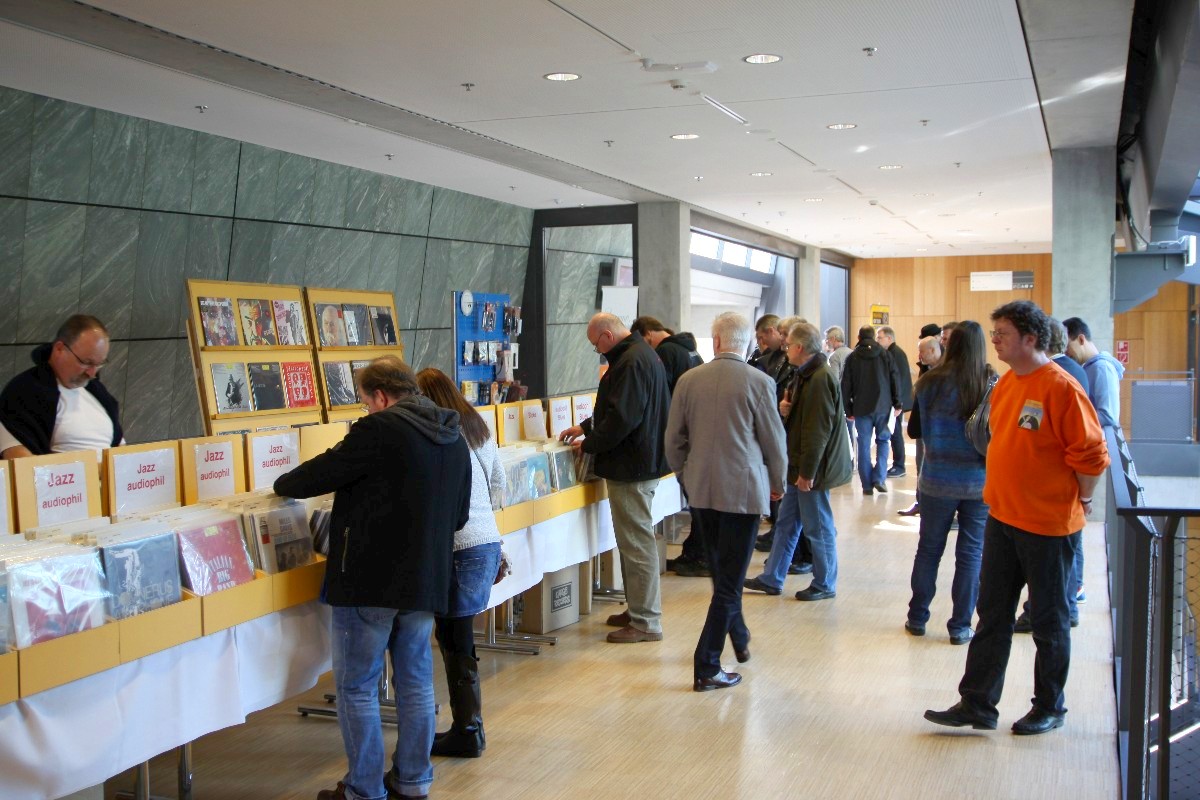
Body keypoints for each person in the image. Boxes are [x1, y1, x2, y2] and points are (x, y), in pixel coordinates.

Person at [274, 358, 471, 800]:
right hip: (425, 581)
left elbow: (318, 474)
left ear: (380, 396)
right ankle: (413, 782)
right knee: (416, 682)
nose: (365, 409)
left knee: (357, 686)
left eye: (364, 402)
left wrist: (281, 483)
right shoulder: (452, 434)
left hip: (369, 579)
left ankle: (363, 788)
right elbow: (459, 516)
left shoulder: (379, 429)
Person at [924, 301, 1109, 736]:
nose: (995, 340)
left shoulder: (1062, 388)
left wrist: (1082, 497)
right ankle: (977, 703)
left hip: (1048, 527)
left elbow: (1092, 456)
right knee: (992, 615)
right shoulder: (1007, 383)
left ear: (1031, 338)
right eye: (994, 333)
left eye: (1003, 332)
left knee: (1048, 620)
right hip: (1003, 519)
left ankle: (1049, 706)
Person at [664, 312, 786, 691]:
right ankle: (707, 666)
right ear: (746, 342)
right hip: (743, 492)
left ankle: (740, 635)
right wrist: (778, 483)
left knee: (722, 574)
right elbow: (774, 440)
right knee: (730, 581)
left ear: (715, 341)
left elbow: (673, 440)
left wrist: (685, 475)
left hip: (701, 490)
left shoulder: (688, 380)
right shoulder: (760, 382)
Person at [559, 313, 670, 643]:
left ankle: (646, 621)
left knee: (636, 544)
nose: (598, 351)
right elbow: (617, 407)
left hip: (632, 466)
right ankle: (637, 609)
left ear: (607, 336)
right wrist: (586, 427)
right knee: (631, 542)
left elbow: (623, 417)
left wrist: (590, 444)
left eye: (596, 345)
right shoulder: (639, 355)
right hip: (638, 462)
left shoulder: (631, 361)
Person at [415, 367, 503, 760]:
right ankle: (469, 728)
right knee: (459, 637)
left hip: (459, 546)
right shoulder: (477, 426)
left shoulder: (437, 434)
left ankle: (468, 731)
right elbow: (498, 483)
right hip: (486, 541)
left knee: (454, 640)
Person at [744, 323, 851, 601]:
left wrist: (807, 473)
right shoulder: (805, 375)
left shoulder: (819, 378)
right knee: (787, 523)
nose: (785, 348)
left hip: (811, 469)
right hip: (799, 466)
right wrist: (786, 409)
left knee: (818, 526)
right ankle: (772, 577)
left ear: (800, 347)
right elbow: (803, 422)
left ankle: (825, 582)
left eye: (789, 344)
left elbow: (817, 432)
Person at [904, 321, 992, 644]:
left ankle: (917, 617)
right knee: (971, 554)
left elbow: (915, 430)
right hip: (978, 483)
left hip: (936, 480)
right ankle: (960, 626)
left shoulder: (929, 382)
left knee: (928, 550)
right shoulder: (989, 383)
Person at [631, 315, 709, 578]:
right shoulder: (689, 350)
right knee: (699, 500)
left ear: (647, 334)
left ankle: (698, 556)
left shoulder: (665, 352)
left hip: (685, 435)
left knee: (696, 499)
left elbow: (660, 396)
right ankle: (697, 552)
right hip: (698, 431)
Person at [0, 315, 123, 459]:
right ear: (59, 349)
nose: (92, 373)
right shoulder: (24, 391)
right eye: (86, 362)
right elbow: (19, 459)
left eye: (99, 364)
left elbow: (121, 448)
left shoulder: (98, 393)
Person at [840, 325, 901, 495]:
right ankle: (879, 478)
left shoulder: (852, 357)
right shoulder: (885, 354)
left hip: (861, 407)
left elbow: (845, 385)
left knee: (864, 445)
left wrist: (848, 409)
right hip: (883, 406)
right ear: (874, 337)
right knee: (883, 441)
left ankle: (867, 485)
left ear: (859, 338)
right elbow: (894, 378)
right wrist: (897, 403)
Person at [899, 335, 945, 517]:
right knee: (920, 464)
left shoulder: (945, 372)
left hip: (936, 429)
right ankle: (921, 502)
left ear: (933, 350)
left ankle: (931, 505)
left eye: (922, 351)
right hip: (922, 427)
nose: (919, 355)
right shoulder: (926, 368)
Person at [1062, 316, 1123, 429]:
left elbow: (1108, 416)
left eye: (1067, 346)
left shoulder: (1102, 368)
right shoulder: (1088, 368)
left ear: (1081, 339)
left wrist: (1070, 421)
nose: (1065, 353)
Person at [630, 315, 703, 393]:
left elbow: (661, 390)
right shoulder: (688, 347)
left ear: (648, 334)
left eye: (641, 342)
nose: (641, 348)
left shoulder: (665, 350)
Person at [876, 326, 913, 478]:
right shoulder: (893, 353)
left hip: (897, 402)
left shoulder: (894, 354)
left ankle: (899, 465)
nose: (877, 340)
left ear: (889, 338)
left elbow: (897, 380)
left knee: (895, 433)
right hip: (897, 400)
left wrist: (897, 403)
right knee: (894, 432)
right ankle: (898, 464)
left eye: (880, 337)